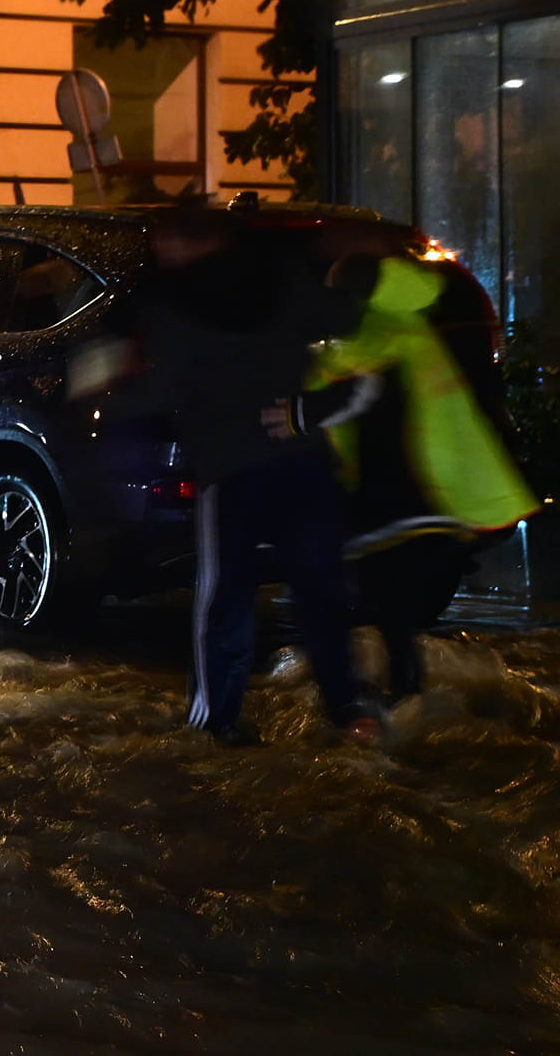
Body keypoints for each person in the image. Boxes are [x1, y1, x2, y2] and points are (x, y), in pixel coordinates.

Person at [131, 208, 377, 746]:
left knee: (226, 602)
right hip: (303, 463)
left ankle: (215, 727)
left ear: (178, 242)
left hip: (232, 470)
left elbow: (158, 392)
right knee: (320, 596)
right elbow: (349, 323)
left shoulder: (169, 304)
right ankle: (352, 713)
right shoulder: (278, 280)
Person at [299, 255, 539, 705]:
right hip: (434, 499)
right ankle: (411, 696)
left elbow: (336, 419)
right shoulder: (415, 332)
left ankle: (393, 701)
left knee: (380, 610)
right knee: (399, 613)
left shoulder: (354, 347)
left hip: (384, 504)